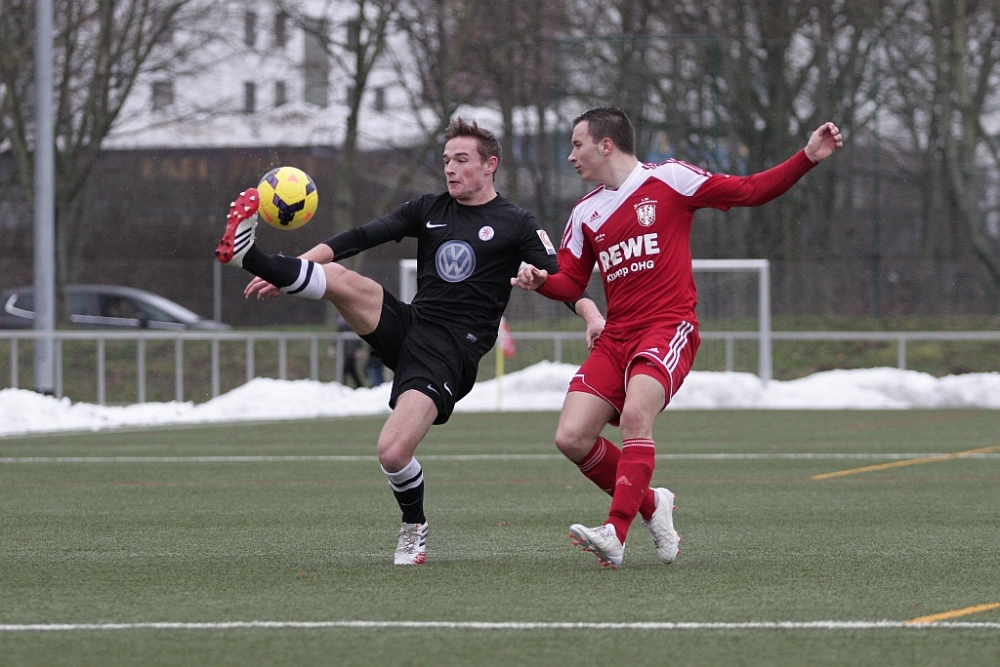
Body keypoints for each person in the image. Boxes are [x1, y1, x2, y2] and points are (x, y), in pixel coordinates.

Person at [216, 118, 604, 565]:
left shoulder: (516, 223)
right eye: (446, 160)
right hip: (412, 325)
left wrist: (591, 314)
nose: (450, 169)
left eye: (461, 160)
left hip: (451, 353)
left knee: (393, 451)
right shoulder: (429, 208)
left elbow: (562, 280)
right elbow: (359, 237)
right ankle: (252, 257)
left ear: (490, 165)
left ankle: (414, 525)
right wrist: (290, 269)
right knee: (339, 277)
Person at [513, 107, 843, 568]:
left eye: (577, 144)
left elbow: (749, 191)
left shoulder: (669, 178)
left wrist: (806, 157)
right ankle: (652, 503)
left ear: (605, 145)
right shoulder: (584, 212)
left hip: (668, 326)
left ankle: (615, 533)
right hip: (617, 336)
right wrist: (541, 281)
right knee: (571, 437)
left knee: (635, 416)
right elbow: (570, 281)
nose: (571, 155)